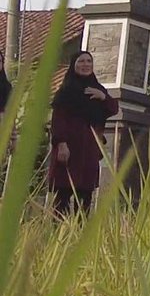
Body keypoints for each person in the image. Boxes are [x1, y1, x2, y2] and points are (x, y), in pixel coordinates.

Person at [48, 51, 117, 218]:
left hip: (89, 149)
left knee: (85, 194)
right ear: (74, 65)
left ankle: (80, 235)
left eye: (89, 61)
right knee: (63, 193)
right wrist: (61, 144)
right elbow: (58, 120)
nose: (85, 65)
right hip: (70, 148)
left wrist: (103, 97)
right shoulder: (65, 91)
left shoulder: (97, 90)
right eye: (81, 61)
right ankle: (59, 235)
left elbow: (113, 109)